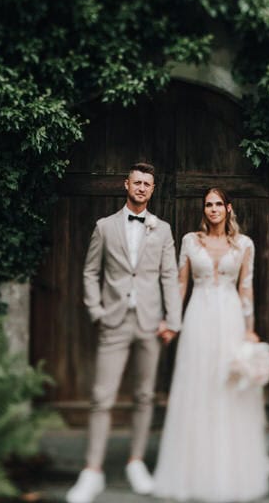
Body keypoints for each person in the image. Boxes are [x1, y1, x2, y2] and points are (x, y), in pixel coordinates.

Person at [66, 162, 183, 503]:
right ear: (126, 185)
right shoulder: (105, 227)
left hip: (150, 322)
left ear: (152, 189)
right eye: (137, 182)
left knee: (145, 396)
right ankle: (92, 471)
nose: (142, 188)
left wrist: (172, 320)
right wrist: (96, 310)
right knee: (102, 397)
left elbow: (169, 276)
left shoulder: (162, 229)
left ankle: (135, 462)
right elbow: (90, 271)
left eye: (148, 183)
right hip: (114, 321)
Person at [152, 188, 269, 502]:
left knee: (230, 386)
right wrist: (172, 321)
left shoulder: (244, 244)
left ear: (228, 208)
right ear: (203, 209)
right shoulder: (191, 241)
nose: (213, 209)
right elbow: (180, 285)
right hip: (199, 318)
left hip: (231, 317)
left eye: (218, 204)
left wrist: (249, 331)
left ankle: (230, 470)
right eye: (208, 204)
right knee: (198, 385)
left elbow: (246, 288)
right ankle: (194, 471)